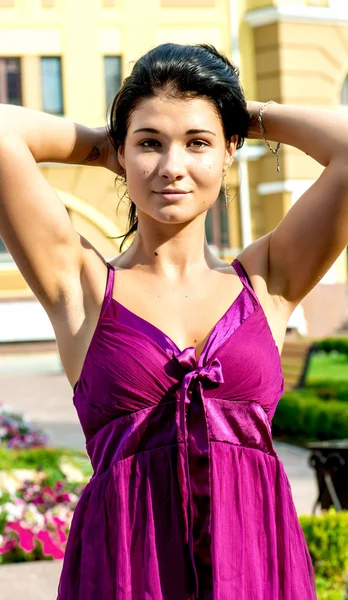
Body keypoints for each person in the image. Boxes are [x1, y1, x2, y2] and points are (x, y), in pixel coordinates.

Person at [1, 41, 347, 599]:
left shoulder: (268, 281)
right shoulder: (84, 286)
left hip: (256, 571)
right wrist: (103, 145)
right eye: (149, 144)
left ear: (229, 151)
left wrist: (244, 116)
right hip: (124, 574)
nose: (172, 167)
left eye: (197, 143)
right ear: (122, 153)